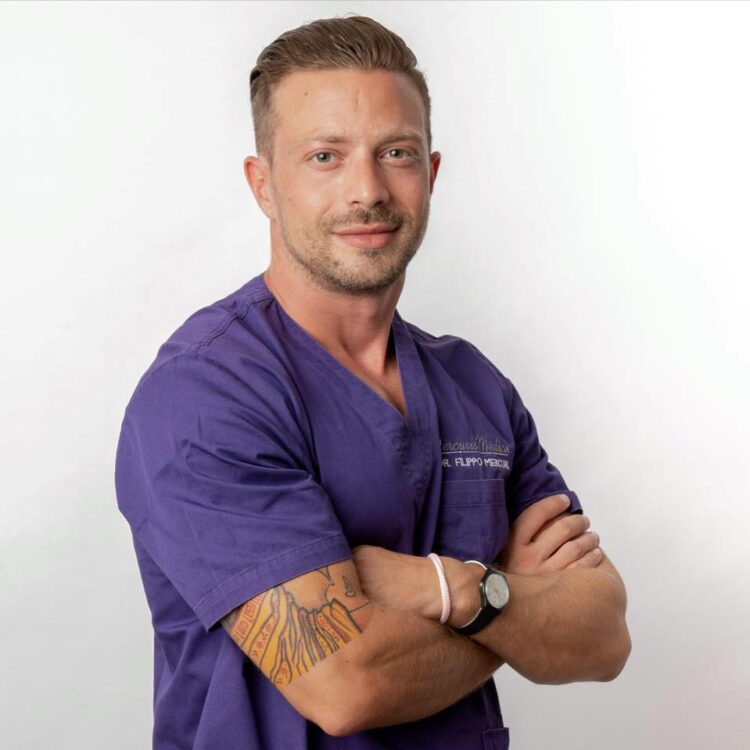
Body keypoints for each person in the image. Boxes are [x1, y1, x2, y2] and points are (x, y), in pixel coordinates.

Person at [114, 14, 630, 750]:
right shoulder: (204, 395)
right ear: (264, 184)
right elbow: (345, 685)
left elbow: (603, 639)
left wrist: (444, 590)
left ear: (431, 173)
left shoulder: (474, 385)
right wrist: (514, 603)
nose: (367, 189)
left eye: (396, 153)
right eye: (325, 156)